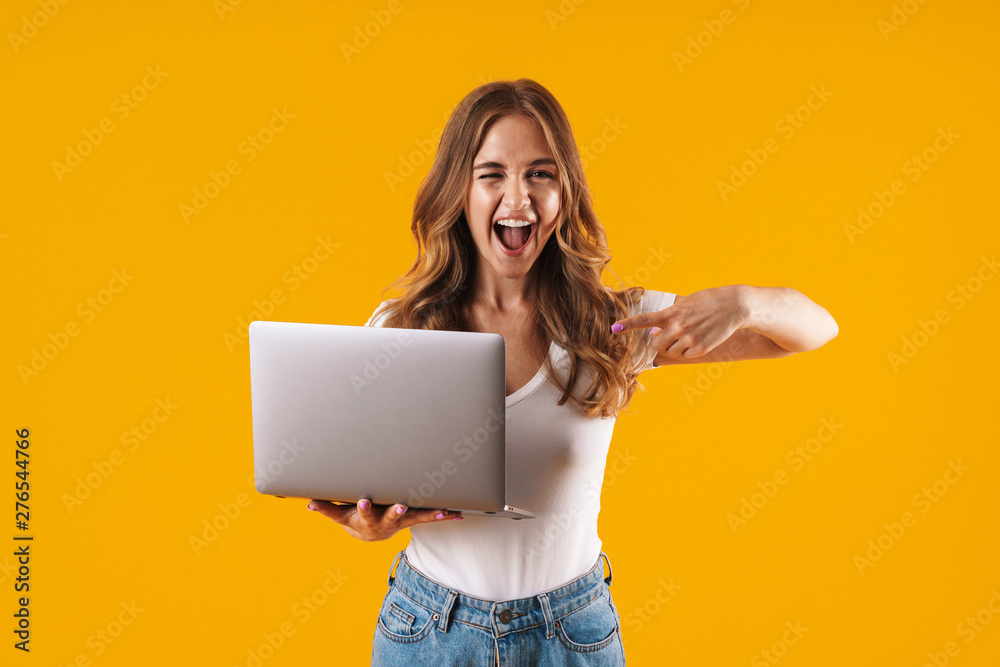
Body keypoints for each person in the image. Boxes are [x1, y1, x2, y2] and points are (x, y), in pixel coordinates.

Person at [306, 79, 838, 666]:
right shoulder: (400, 329)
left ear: (566, 190)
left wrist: (745, 300)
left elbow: (815, 331)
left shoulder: (615, 324)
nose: (517, 199)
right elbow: (372, 486)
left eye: (540, 173)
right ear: (460, 192)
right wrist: (372, 520)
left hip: (569, 634)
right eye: (492, 175)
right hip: (429, 630)